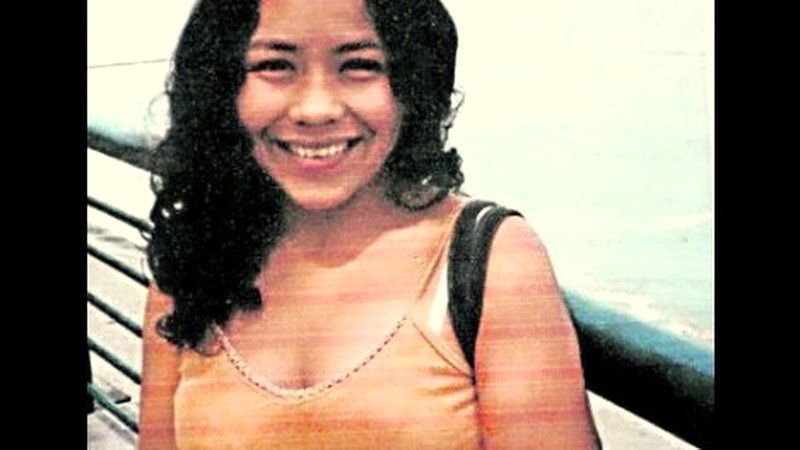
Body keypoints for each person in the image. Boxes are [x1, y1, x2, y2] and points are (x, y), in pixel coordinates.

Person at [139, 0, 601, 448]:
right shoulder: (195, 255)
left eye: (359, 65)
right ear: (222, 84)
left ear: (411, 82)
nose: (315, 109)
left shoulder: (489, 262)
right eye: (275, 66)